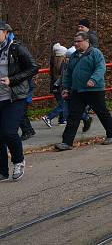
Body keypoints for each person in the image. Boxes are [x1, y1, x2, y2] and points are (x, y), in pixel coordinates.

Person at [55, 31, 112, 150]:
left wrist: (93, 79)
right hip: (77, 90)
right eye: (75, 41)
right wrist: (66, 88)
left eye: (79, 41)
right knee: (74, 115)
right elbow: (68, 73)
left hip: (94, 90)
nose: (76, 44)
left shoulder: (95, 53)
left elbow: (101, 67)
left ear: (87, 41)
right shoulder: (73, 55)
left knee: (102, 112)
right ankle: (67, 142)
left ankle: (111, 134)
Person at [0, 21, 38, 181]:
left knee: (8, 131)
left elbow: (33, 67)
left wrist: (13, 80)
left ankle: (18, 161)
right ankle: (2, 171)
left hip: (14, 97)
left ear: (6, 33)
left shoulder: (16, 48)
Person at [43, 43, 69, 127]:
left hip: (54, 86)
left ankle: (62, 120)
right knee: (63, 104)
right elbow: (64, 77)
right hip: (60, 86)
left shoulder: (53, 61)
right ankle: (48, 117)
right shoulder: (63, 64)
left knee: (62, 103)